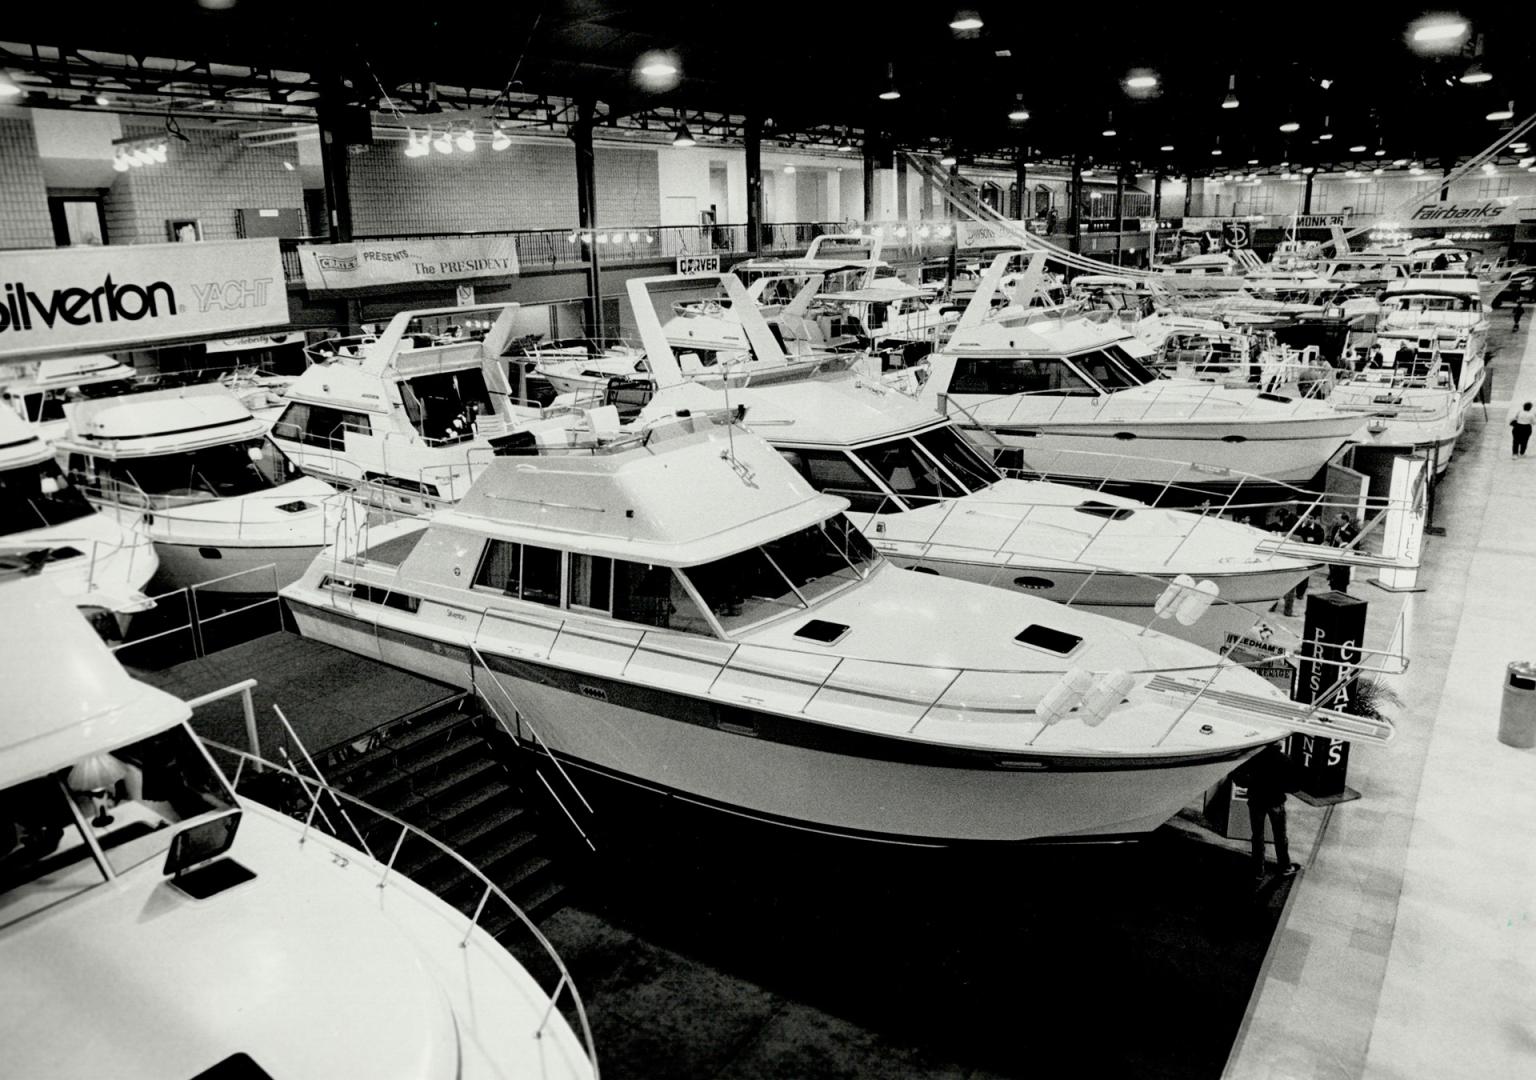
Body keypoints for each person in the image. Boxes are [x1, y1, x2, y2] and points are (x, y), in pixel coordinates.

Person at [1232, 741, 1300, 887]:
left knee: (1257, 836)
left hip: (1256, 801)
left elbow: (1237, 776)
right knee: (1280, 836)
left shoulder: (1254, 758)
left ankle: (1258, 871)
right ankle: (1284, 867)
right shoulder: (1285, 760)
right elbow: (1295, 786)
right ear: (1279, 745)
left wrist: (1250, 784)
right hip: (1276, 802)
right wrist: (1280, 786)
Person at [1327, 513, 1360, 592]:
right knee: (1333, 584)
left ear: (1344, 520)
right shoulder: (1335, 529)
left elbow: (1355, 550)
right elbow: (1332, 543)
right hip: (1333, 561)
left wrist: (1341, 542)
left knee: (1341, 587)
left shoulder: (1353, 532)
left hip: (1343, 564)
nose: (1335, 520)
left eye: (1337, 519)